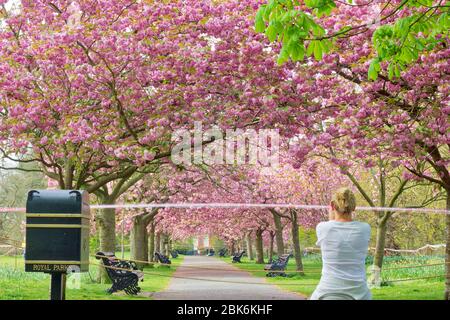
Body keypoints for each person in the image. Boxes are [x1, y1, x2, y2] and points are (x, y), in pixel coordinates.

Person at [310, 187, 372, 300]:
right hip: (360, 294)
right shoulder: (365, 229)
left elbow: (331, 227)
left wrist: (332, 212)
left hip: (326, 293)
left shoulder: (322, 228)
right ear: (354, 207)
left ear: (332, 206)